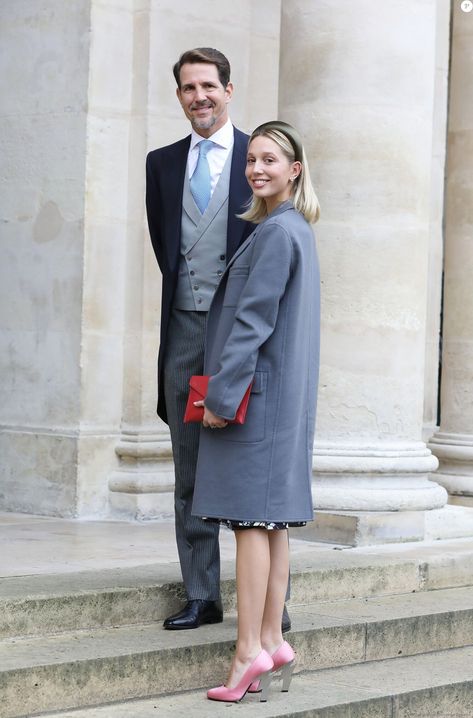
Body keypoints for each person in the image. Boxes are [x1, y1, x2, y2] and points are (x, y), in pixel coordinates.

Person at [145, 48, 291, 632]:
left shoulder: (261, 156)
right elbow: (167, 249)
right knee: (190, 466)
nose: (199, 96)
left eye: (209, 85)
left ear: (229, 90)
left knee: (253, 464)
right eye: (188, 88)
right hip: (184, 328)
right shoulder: (160, 163)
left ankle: (272, 604)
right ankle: (202, 594)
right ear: (179, 95)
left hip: (243, 336)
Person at [191, 120, 320, 702]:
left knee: (249, 523)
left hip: (254, 401)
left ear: (294, 170)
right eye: (251, 161)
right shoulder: (293, 229)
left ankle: (248, 653)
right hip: (278, 402)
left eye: (270, 160)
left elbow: (252, 322)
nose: (257, 169)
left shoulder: (275, 233)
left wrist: (220, 396)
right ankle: (270, 638)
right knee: (270, 523)